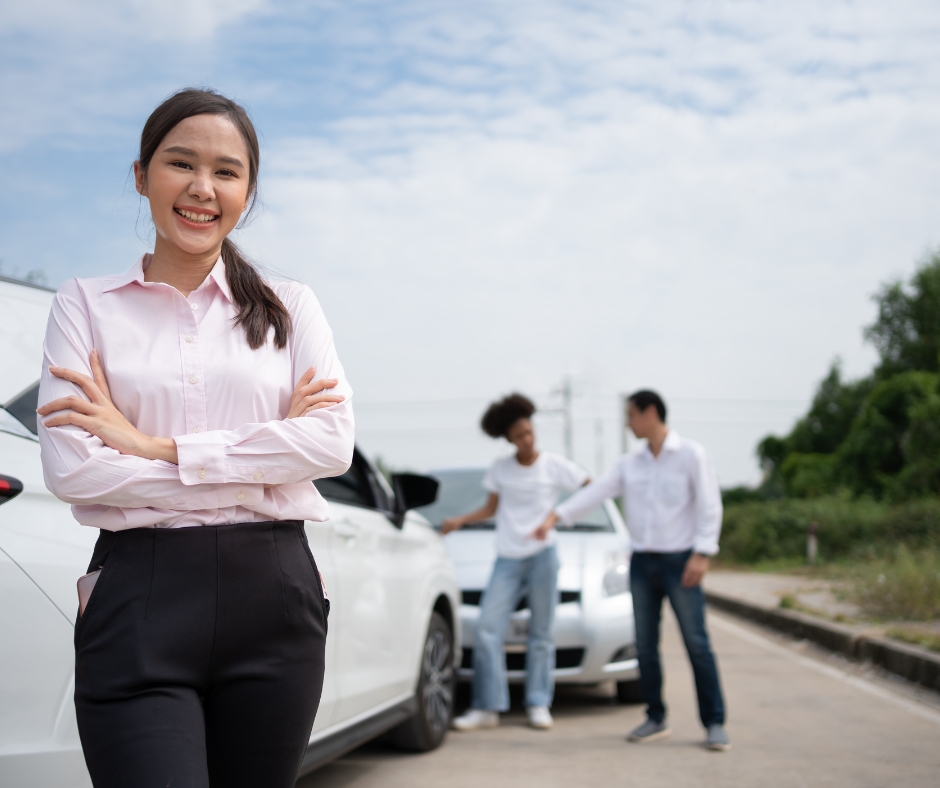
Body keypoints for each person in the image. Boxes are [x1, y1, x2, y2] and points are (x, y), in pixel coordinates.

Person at [36, 88, 353, 788]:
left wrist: (155, 447)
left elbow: (331, 444)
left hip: (274, 598)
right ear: (143, 175)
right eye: (181, 164)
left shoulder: (290, 307)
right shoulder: (84, 304)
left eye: (227, 171)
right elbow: (74, 470)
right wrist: (268, 459)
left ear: (248, 190)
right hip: (140, 598)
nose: (202, 188)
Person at [538, 390, 730, 751]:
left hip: (680, 561)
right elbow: (596, 494)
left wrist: (703, 553)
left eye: (631, 415)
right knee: (644, 645)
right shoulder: (631, 464)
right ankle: (655, 717)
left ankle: (714, 722)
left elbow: (709, 505)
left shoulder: (692, 455)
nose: (627, 423)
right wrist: (556, 517)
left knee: (696, 643)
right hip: (641, 563)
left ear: (651, 412)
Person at [442, 393, 589, 731]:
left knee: (541, 633)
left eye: (529, 431)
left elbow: (590, 488)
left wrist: (555, 517)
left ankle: (538, 703)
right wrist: (460, 521)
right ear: (509, 439)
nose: (527, 439)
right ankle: (488, 707)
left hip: (543, 557)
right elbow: (490, 509)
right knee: (488, 631)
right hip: (507, 559)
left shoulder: (554, 465)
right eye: (519, 435)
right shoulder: (501, 469)